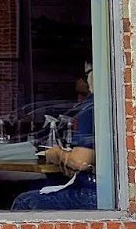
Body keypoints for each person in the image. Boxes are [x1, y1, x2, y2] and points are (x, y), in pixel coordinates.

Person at [13, 63, 97, 211]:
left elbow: (81, 161)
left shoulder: (91, 107)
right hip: (111, 192)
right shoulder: (113, 103)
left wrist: (58, 154)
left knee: (25, 201)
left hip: (95, 193)